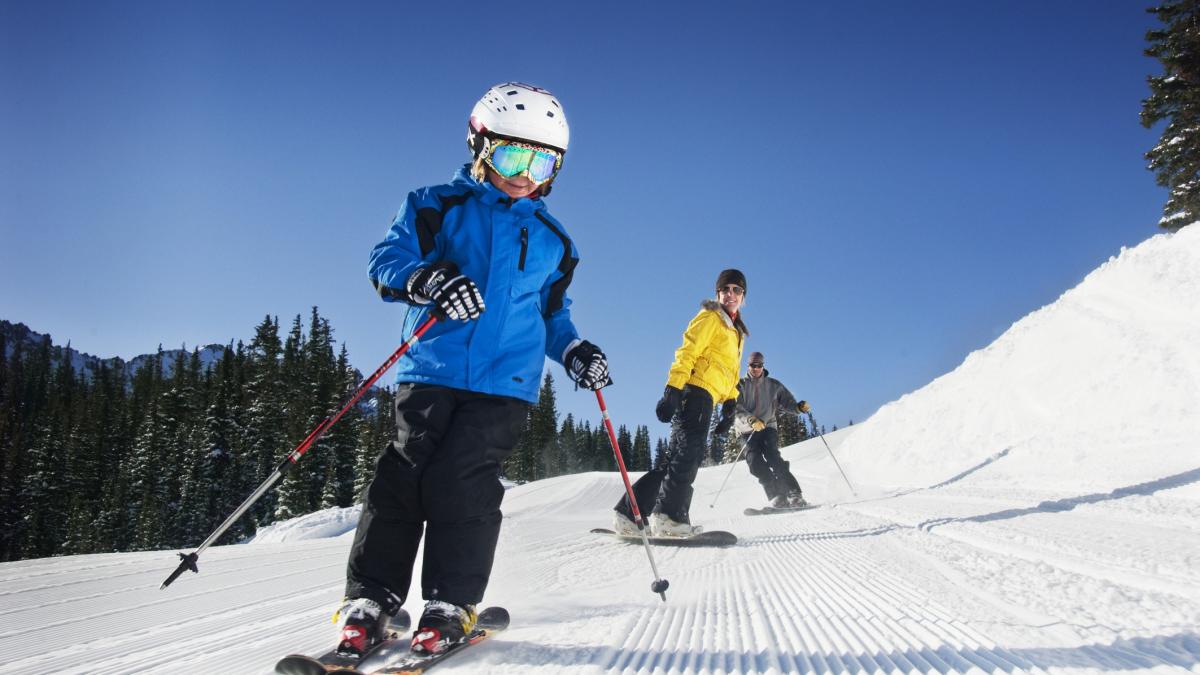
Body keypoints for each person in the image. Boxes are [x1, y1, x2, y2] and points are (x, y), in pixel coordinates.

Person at [337, 82, 610, 658]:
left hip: (503, 384)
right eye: (513, 155)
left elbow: (555, 314)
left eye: (542, 160)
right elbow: (387, 258)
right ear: (480, 145)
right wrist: (427, 279)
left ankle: (449, 601)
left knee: (464, 483)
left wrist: (575, 352)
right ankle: (371, 599)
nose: (525, 173)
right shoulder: (436, 204)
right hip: (430, 367)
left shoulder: (556, 243)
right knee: (403, 477)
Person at [613, 269, 749, 537]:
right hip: (696, 391)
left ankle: (630, 513)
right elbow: (688, 351)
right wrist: (672, 389)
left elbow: (729, 370)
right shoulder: (711, 317)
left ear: (743, 297)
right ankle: (670, 518)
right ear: (718, 293)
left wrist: (731, 402)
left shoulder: (735, 332)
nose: (730, 294)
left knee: (674, 460)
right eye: (726, 289)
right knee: (689, 454)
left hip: (708, 395)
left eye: (736, 290)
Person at [733, 351, 811, 508]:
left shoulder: (773, 385)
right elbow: (736, 407)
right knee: (754, 463)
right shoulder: (739, 385)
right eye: (753, 365)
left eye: (759, 365)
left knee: (773, 457)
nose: (756, 368)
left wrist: (798, 408)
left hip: (767, 426)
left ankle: (794, 493)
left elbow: (788, 402)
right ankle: (777, 495)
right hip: (746, 430)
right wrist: (750, 420)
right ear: (748, 366)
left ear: (763, 366)